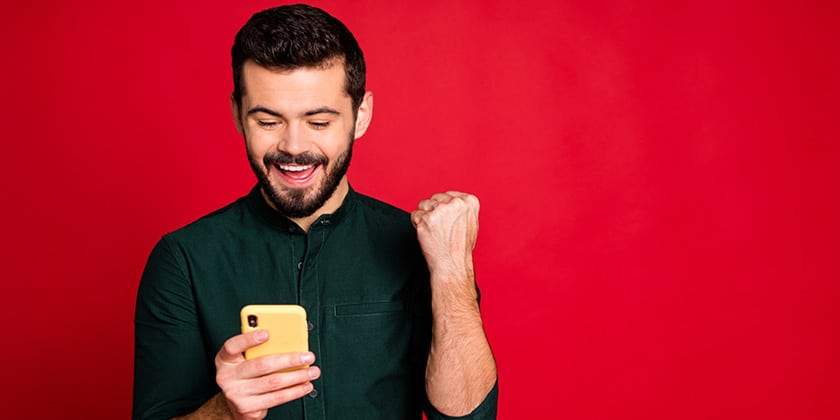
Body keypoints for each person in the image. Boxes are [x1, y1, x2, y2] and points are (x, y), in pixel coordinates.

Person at [133, 4, 498, 420]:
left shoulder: (421, 248)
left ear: (361, 115)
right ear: (237, 114)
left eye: (319, 122)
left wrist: (451, 272)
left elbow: (469, 418)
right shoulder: (183, 259)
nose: (292, 146)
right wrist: (225, 412)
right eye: (268, 121)